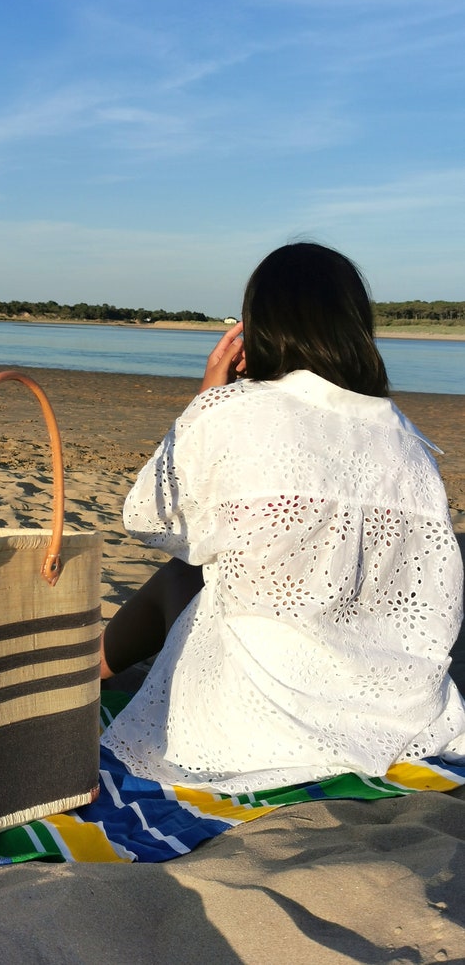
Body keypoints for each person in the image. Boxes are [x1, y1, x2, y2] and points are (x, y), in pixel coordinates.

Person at [100, 242, 465, 793]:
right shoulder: (408, 441)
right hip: (401, 720)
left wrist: (206, 398)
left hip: (255, 726)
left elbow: (149, 517)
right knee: (213, 566)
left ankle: (80, 677)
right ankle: (89, 673)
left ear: (257, 328)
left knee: (189, 569)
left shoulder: (237, 410)